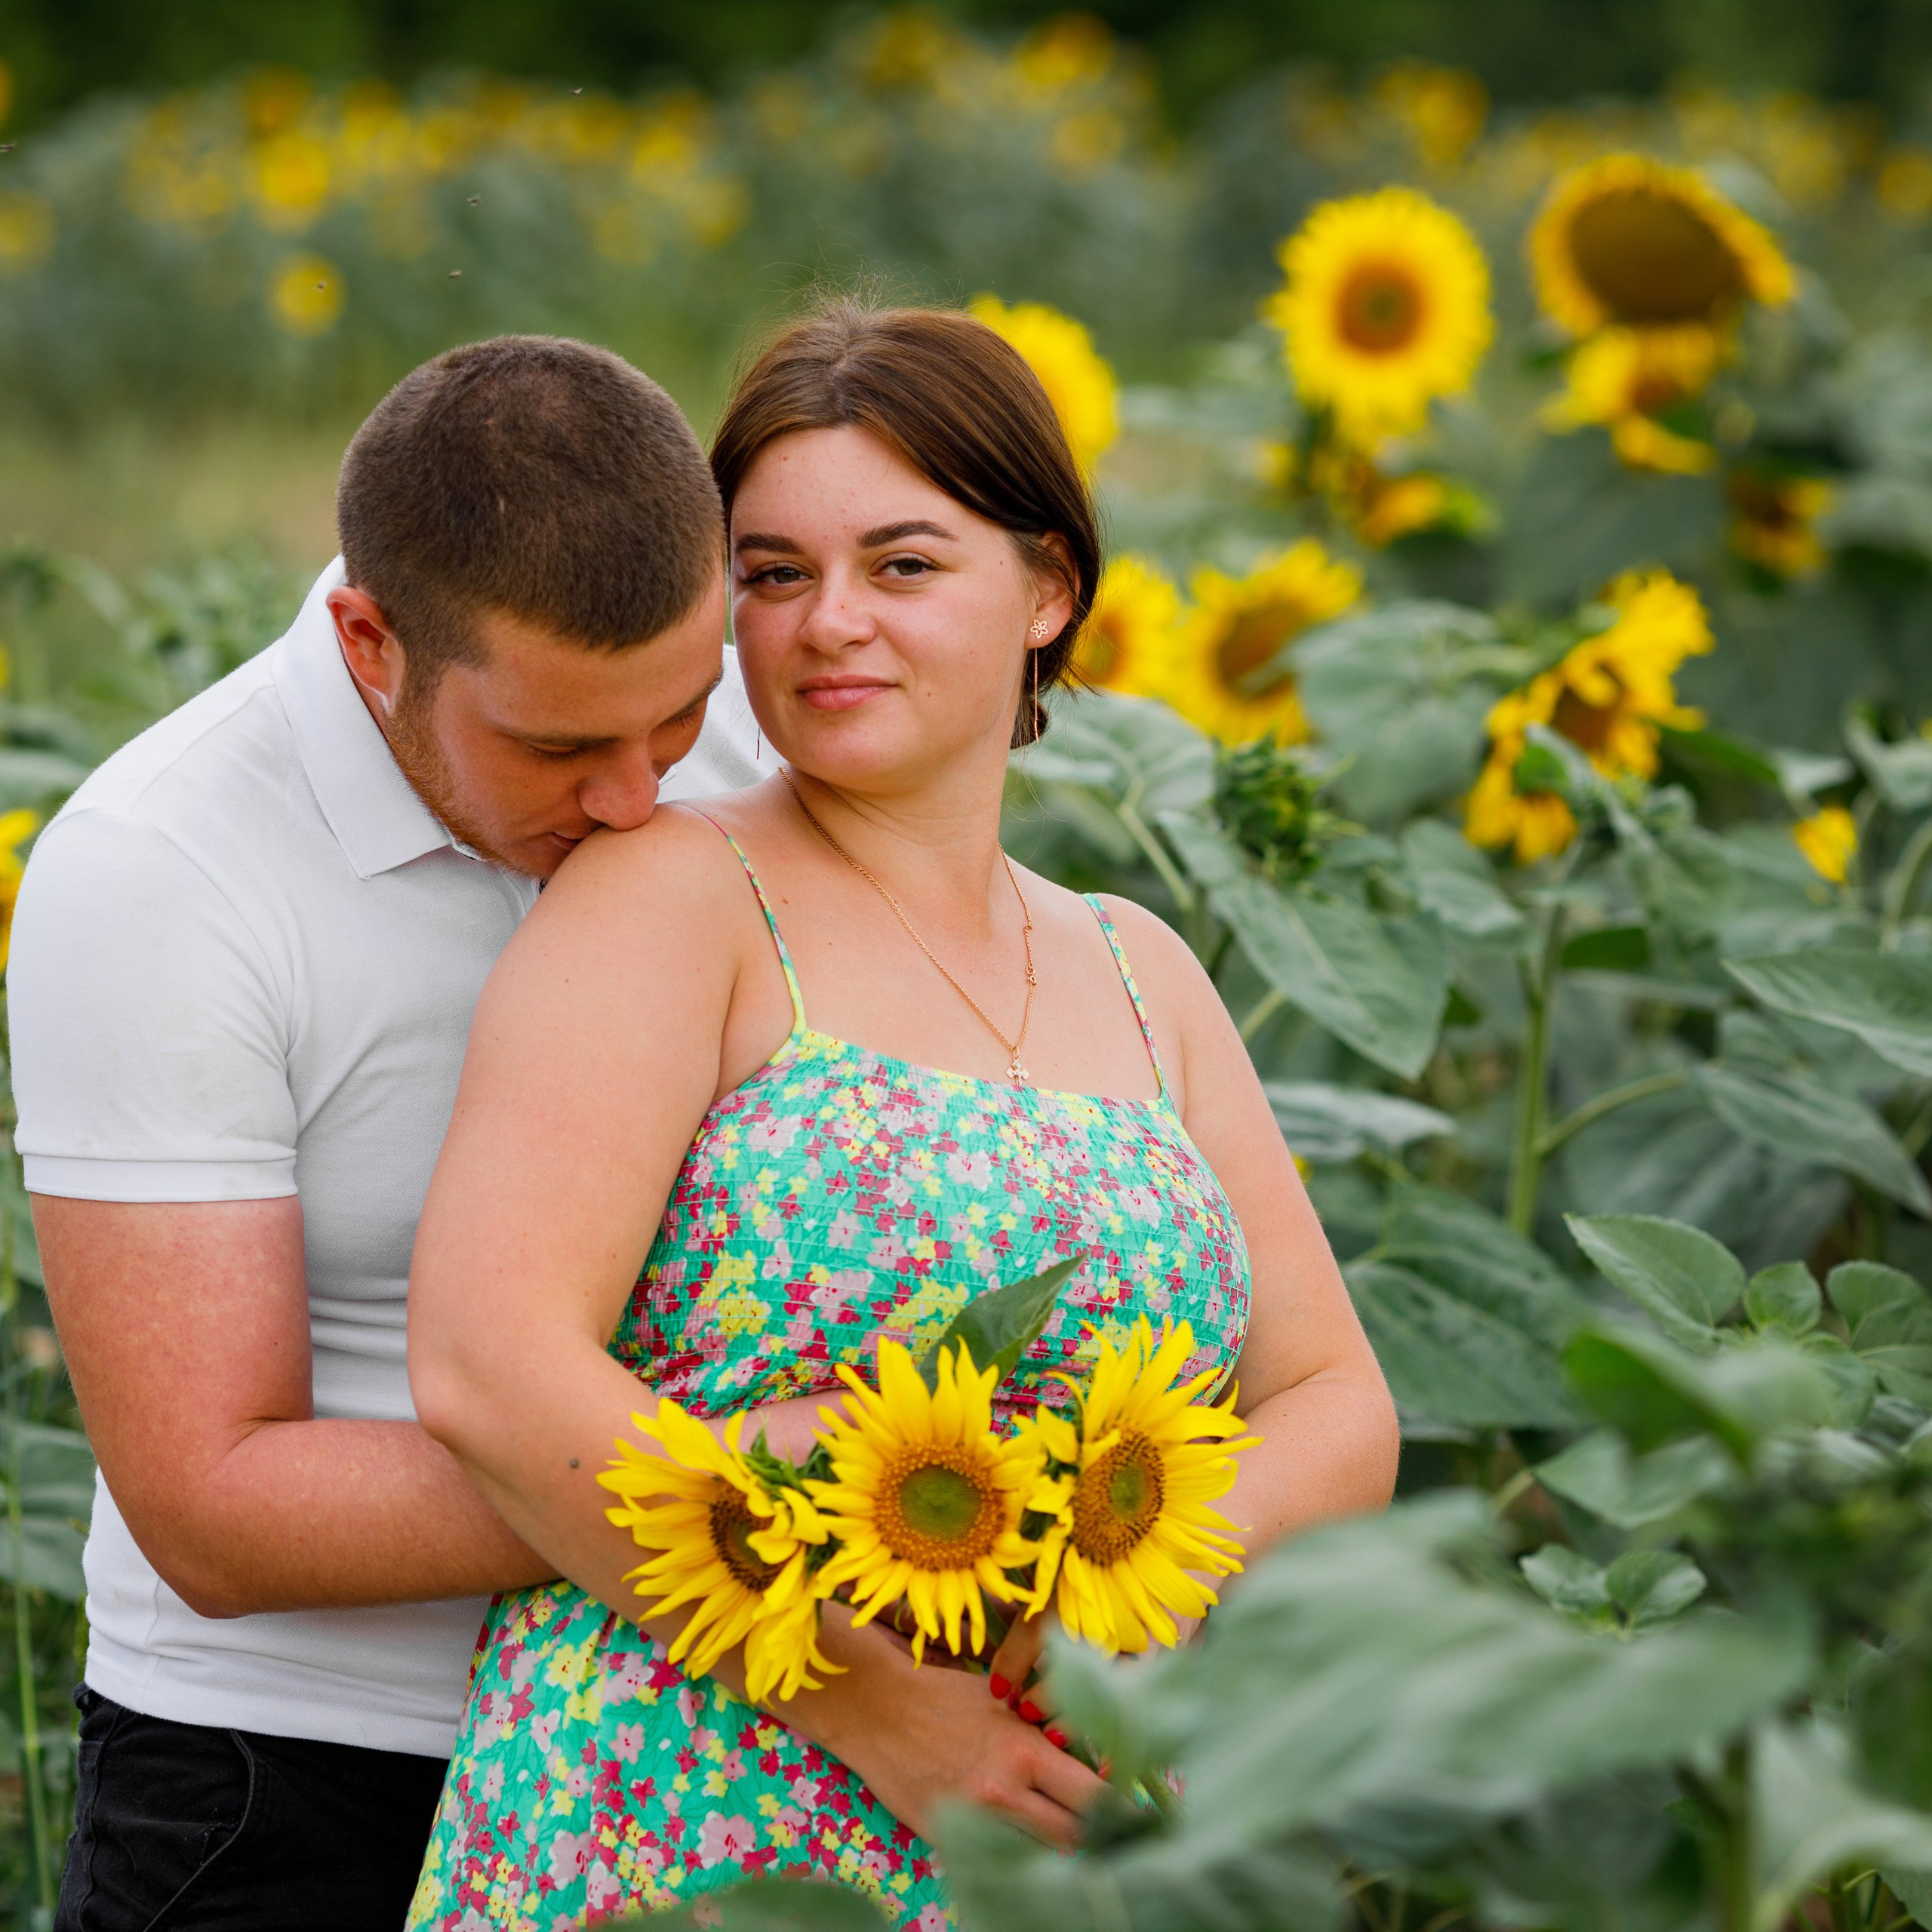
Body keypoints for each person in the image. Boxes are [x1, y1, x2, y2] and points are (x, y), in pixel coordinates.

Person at [401, 301, 1400, 1930]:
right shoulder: (671, 895)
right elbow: (490, 1366)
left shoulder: (1137, 965)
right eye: (775, 572)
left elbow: (1337, 1400)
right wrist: (875, 1706)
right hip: (693, 1797)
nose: (827, 624)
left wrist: (1135, 1577)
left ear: (1048, 588)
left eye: (903, 564)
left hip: (1067, 1827)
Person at [8, 334, 773, 1930]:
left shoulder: (725, 751)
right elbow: (213, 1506)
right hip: (303, 1775)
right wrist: (749, 1487)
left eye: (679, 714)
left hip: (704, 1737)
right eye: (558, 749)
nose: (641, 796)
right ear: (371, 640)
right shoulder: (158, 868)